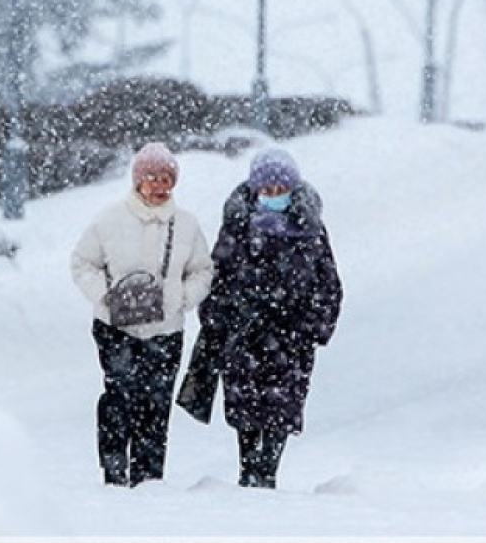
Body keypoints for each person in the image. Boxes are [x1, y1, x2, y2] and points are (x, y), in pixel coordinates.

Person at [183, 147, 343, 489]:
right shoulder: (237, 228)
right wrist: (218, 319)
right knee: (244, 404)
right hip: (244, 334)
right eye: (266, 190)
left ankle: (267, 470)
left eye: (279, 189)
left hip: (290, 338)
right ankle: (248, 469)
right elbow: (217, 276)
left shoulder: (311, 230)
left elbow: (328, 284)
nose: (273, 196)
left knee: (281, 406)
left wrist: (313, 327)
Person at [71, 141, 213, 487]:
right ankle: (114, 469)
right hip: (115, 327)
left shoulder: (187, 225)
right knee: (119, 398)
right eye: (152, 176)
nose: (160, 184)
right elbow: (82, 262)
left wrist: (181, 298)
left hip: (166, 329)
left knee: (156, 403)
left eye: (166, 177)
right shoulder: (109, 219)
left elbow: (202, 271)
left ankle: (150, 478)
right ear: (137, 180)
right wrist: (103, 297)